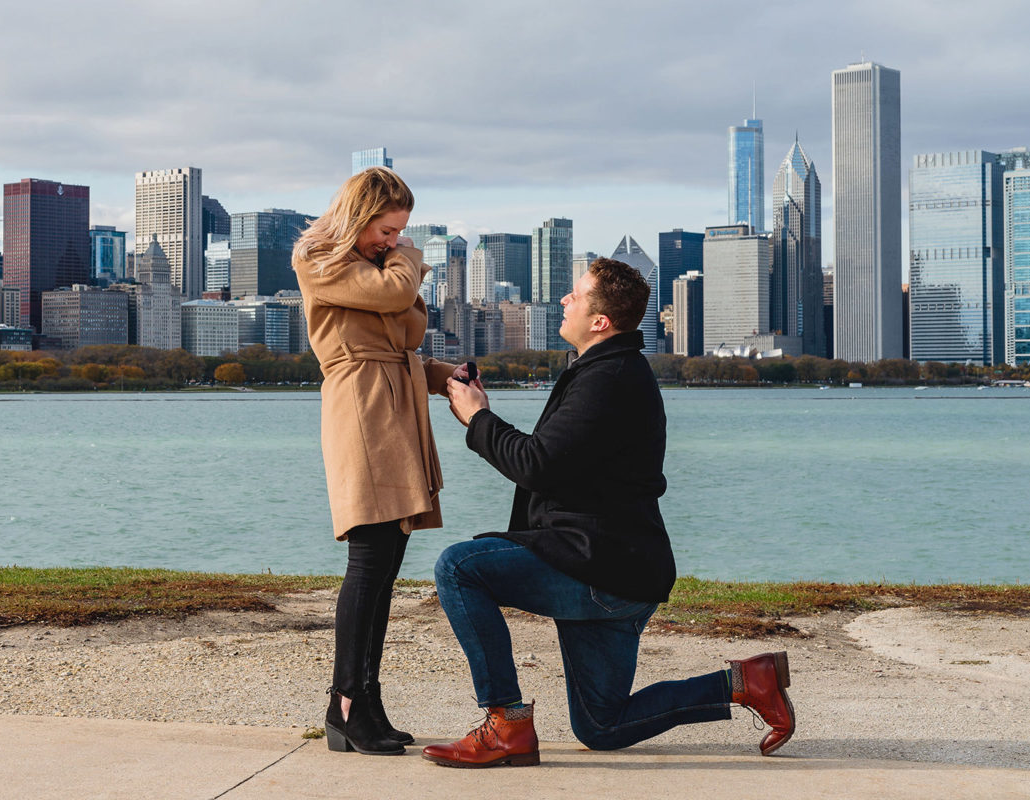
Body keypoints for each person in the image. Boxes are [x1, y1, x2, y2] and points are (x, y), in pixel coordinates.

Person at [425, 258, 795, 768]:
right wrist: (482, 415)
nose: (564, 301)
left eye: (576, 296)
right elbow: (552, 462)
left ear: (600, 322)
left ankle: (506, 725)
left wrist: (477, 417)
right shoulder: (607, 370)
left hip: (598, 567)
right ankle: (748, 682)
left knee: (459, 567)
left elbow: (536, 465)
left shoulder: (609, 377)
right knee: (603, 725)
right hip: (617, 565)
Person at [292, 167, 465, 757]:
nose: (394, 240)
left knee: (388, 559)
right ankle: (344, 703)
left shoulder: (378, 267)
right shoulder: (318, 257)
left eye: (400, 233)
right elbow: (395, 300)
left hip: (395, 402)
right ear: (360, 216)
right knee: (369, 557)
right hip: (362, 408)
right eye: (387, 229)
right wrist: (411, 260)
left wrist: (444, 377)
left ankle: (366, 699)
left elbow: (405, 337)